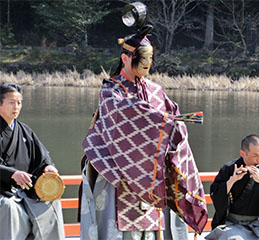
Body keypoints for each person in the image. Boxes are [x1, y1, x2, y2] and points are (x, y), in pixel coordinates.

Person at [79, 7, 207, 240]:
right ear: (125, 58)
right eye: (141, 61)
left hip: (153, 175)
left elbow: (172, 119)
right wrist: (159, 121)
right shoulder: (111, 90)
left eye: (149, 62)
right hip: (118, 172)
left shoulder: (156, 91)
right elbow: (125, 115)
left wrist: (174, 126)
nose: (146, 68)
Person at [0, 83, 65, 239]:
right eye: (11, 102)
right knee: (8, 208)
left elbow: (41, 156)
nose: (16, 107)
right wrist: (12, 174)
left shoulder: (24, 130)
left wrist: (48, 167)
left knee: (52, 203)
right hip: (2, 191)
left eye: (19, 102)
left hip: (26, 190)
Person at [206, 134, 259, 240]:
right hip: (232, 224)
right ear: (243, 153)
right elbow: (216, 194)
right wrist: (233, 180)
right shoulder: (229, 169)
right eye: (255, 155)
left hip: (257, 224)